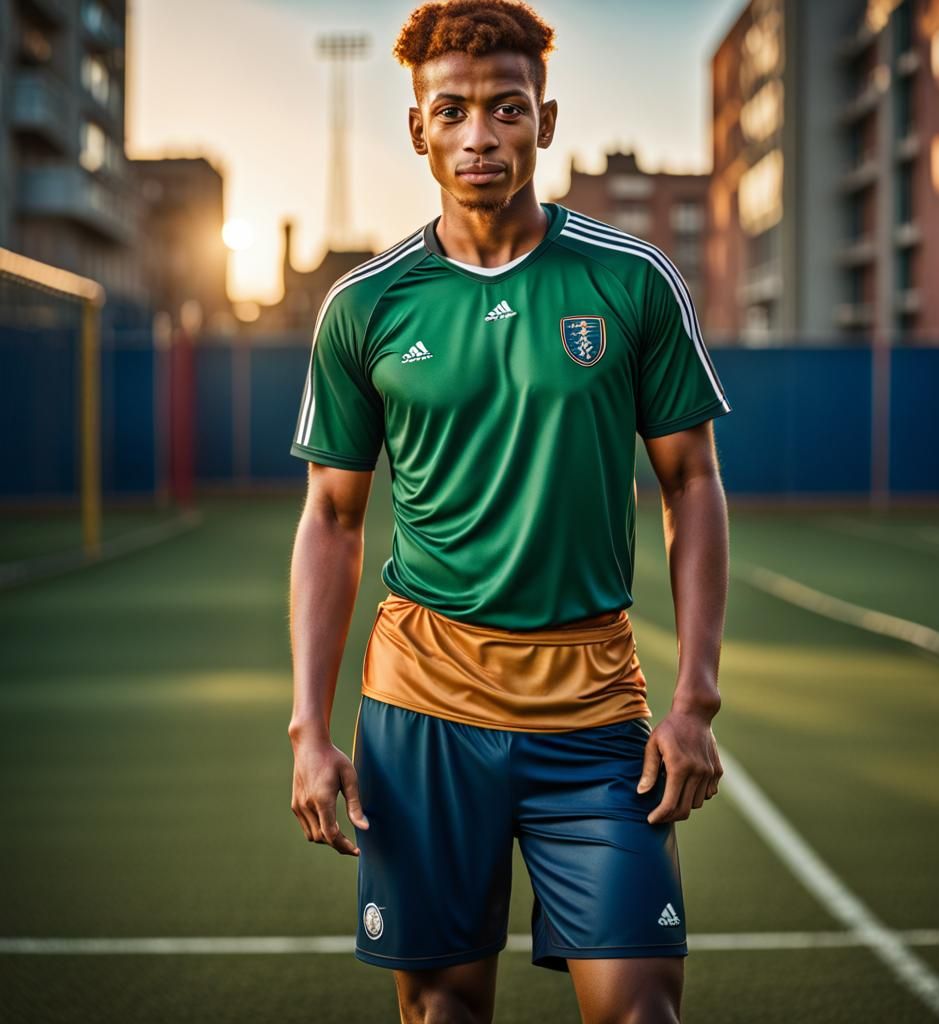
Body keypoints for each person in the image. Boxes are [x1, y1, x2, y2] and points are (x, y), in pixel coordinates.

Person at [287, 1, 731, 1020]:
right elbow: (334, 520)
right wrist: (311, 728)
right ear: (417, 129)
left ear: (546, 119)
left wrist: (695, 701)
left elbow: (691, 484)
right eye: (451, 111)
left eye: (506, 108)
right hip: (425, 709)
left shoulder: (630, 282)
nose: (479, 134)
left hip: (592, 713)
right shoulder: (366, 304)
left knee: (641, 1010)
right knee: (442, 1012)